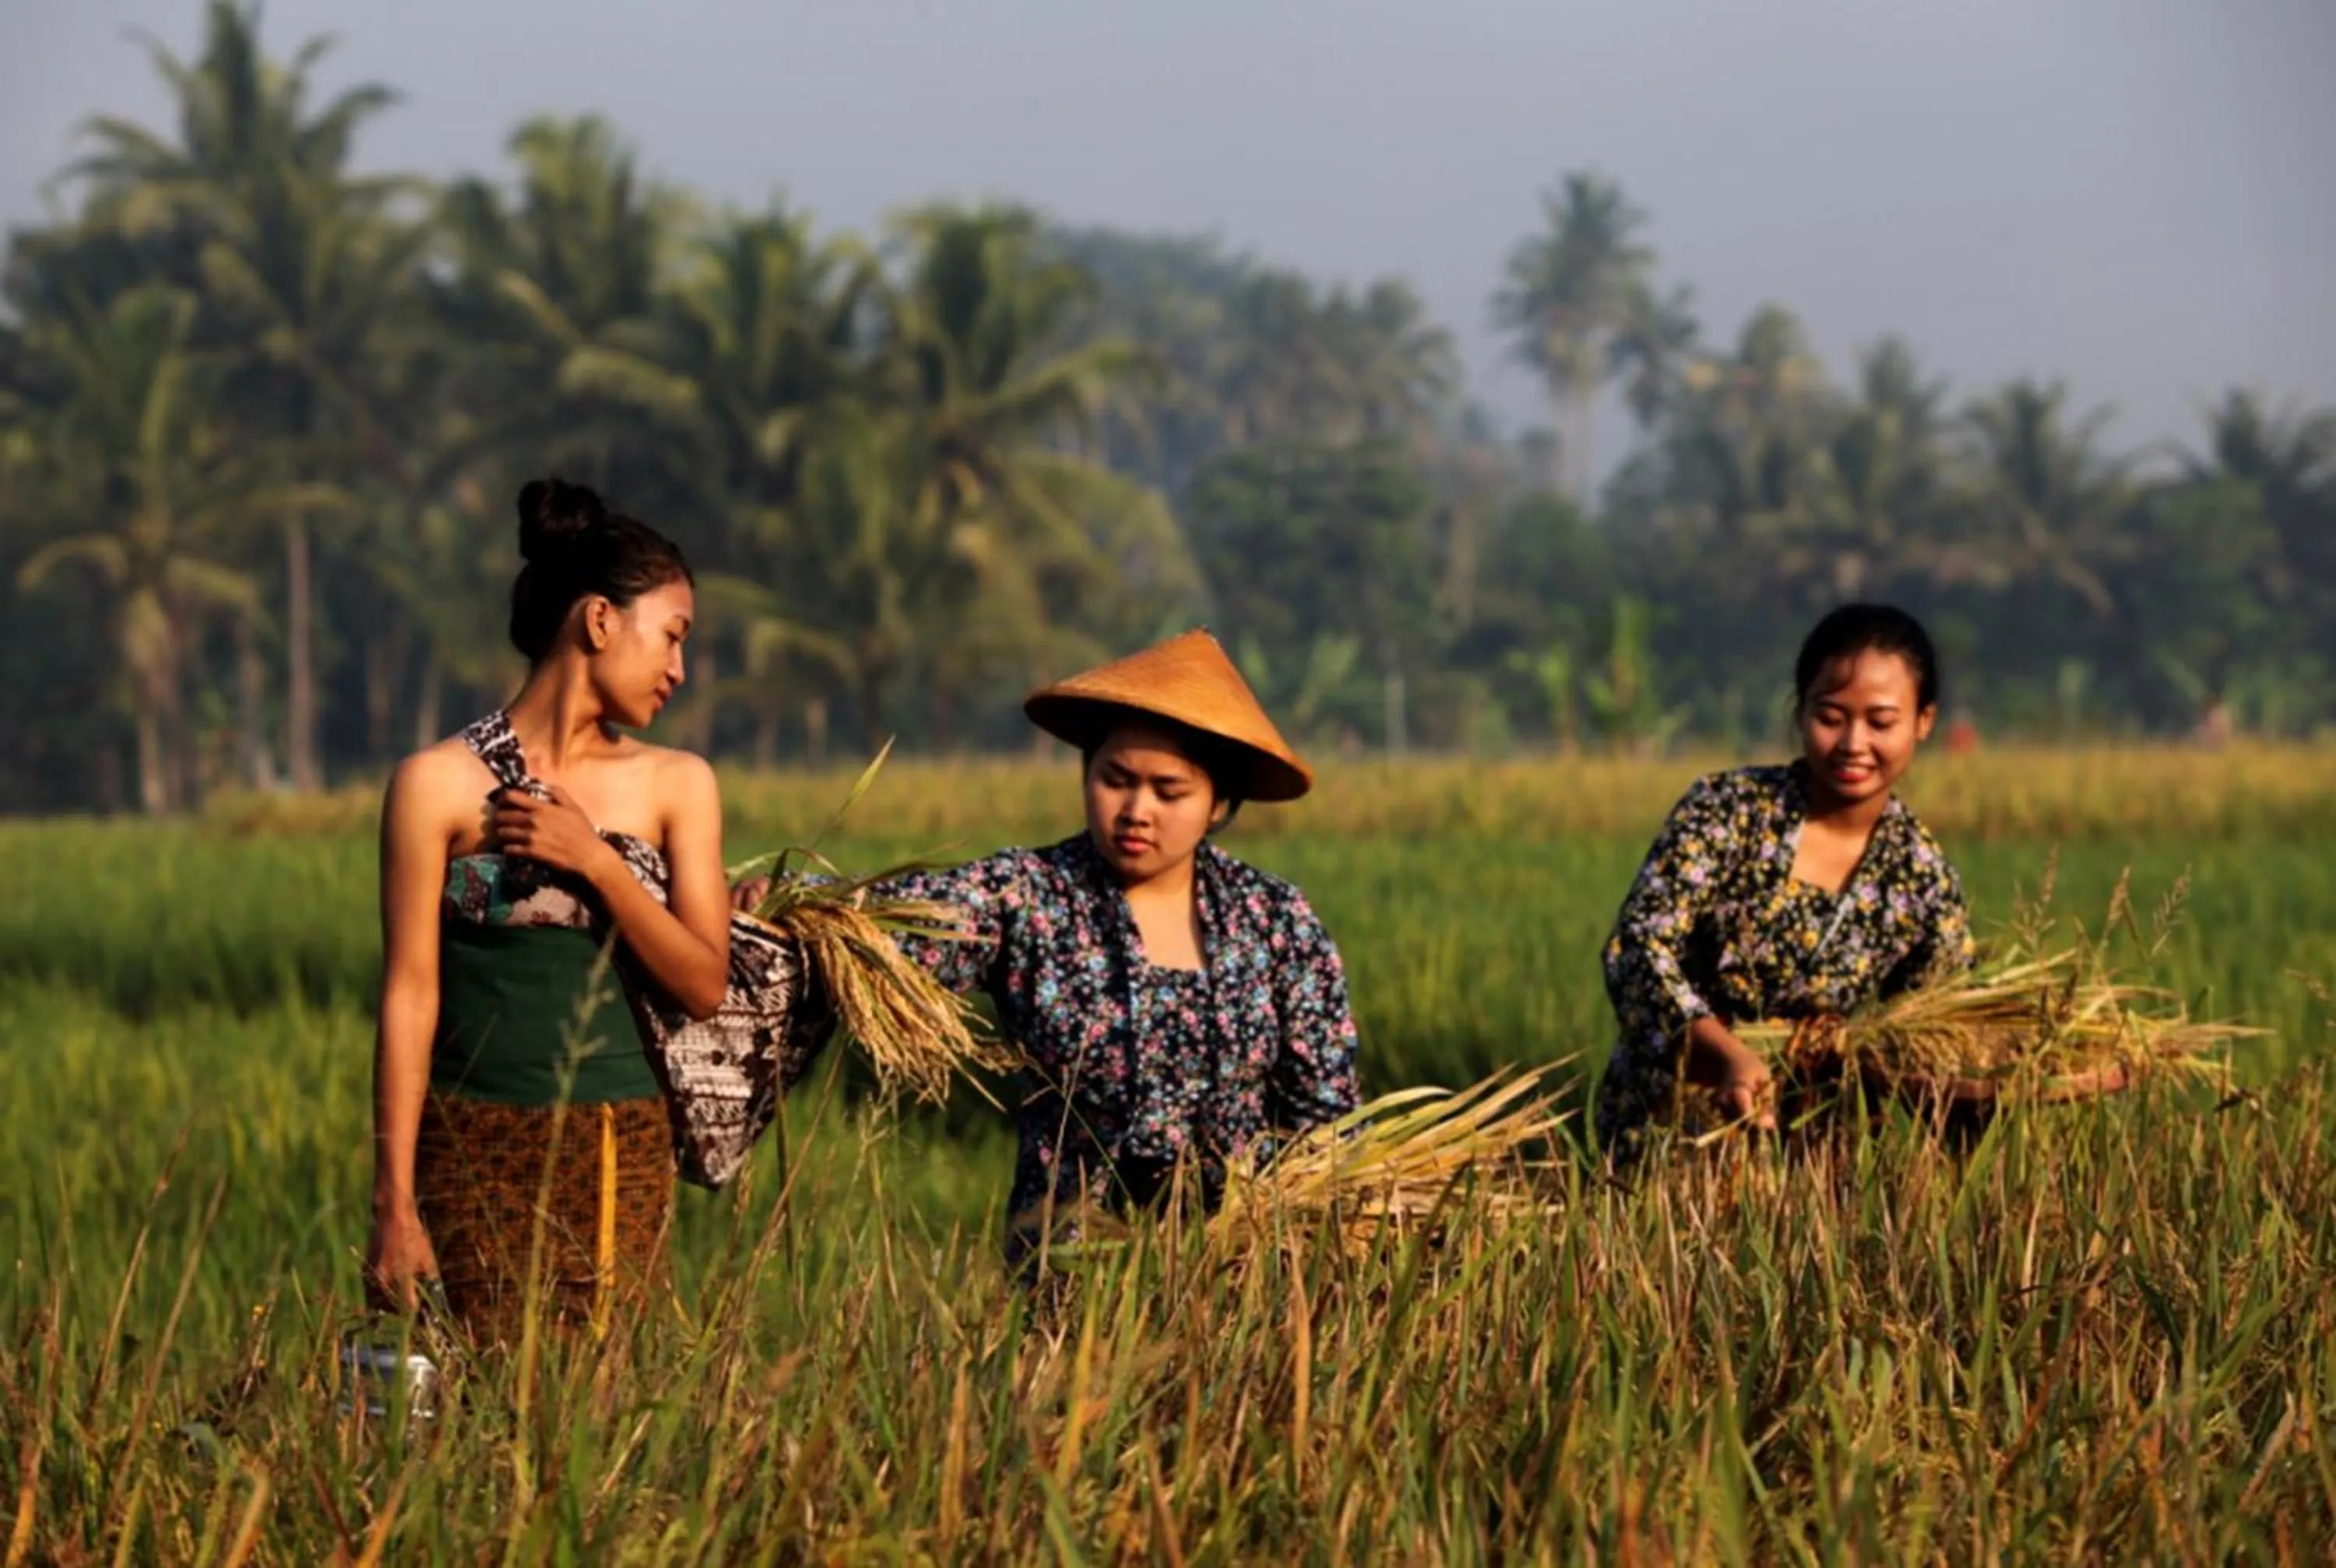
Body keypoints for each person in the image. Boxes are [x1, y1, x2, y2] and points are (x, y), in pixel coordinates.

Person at [842, 629, 1362, 1265]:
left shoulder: (1275, 921)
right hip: (1068, 1276)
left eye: (1169, 793)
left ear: (1218, 804)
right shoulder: (1028, 896)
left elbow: (1328, 1118)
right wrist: (794, 898)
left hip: (1243, 1283)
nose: (1137, 810)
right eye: (1116, 780)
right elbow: (890, 920)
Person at [364, 478, 734, 1345]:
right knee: (471, 1401)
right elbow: (410, 996)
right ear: (601, 621)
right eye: (672, 637)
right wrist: (392, 1198)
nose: (680, 669)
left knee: (601, 1416)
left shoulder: (679, 785)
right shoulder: (435, 786)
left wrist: (595, 863)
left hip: (619, 1141)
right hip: (469, 1144)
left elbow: (704, 983)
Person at [1595, 604, 1976, 1159]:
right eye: (1831, 716)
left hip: (1815, 1155)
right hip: (1669, 1130)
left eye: (1881, 721)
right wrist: (1723, 1054)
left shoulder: (1922, 879)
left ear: (1923, 721)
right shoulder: (1727, 812)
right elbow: (1636, 948)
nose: (1852, 742)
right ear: (1800, 713)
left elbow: (1934, 1032)